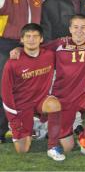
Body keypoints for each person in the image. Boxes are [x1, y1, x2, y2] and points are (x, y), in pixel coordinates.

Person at [45, 14, 85, 155]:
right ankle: (70, 126)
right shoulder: (59, 44)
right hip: (61, 97)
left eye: (83, 27)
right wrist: (19, 49)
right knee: (67, 148)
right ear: (70, 29)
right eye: (76, 27)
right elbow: (37, 50)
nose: (79, 30)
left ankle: (84, 135)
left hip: (82, 94)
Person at [1, 23, 64, 161]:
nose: (31, 39)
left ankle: (52, 147)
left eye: (35, 36)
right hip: (22, 106)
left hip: (41, 100)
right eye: (28, 36)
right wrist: (14, 121)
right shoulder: (12, 63)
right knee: (22, 150)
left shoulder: (49, 54)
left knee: (54, 104)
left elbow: (59, 43)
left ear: (41, 39)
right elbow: (5, 95)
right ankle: (33, 125)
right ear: (21, 39)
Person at [0, 0, 43, 143]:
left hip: (31, 46)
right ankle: (1, 130)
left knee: (27, 88)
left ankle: (26, 127)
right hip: (6, 45)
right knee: (4, 88)